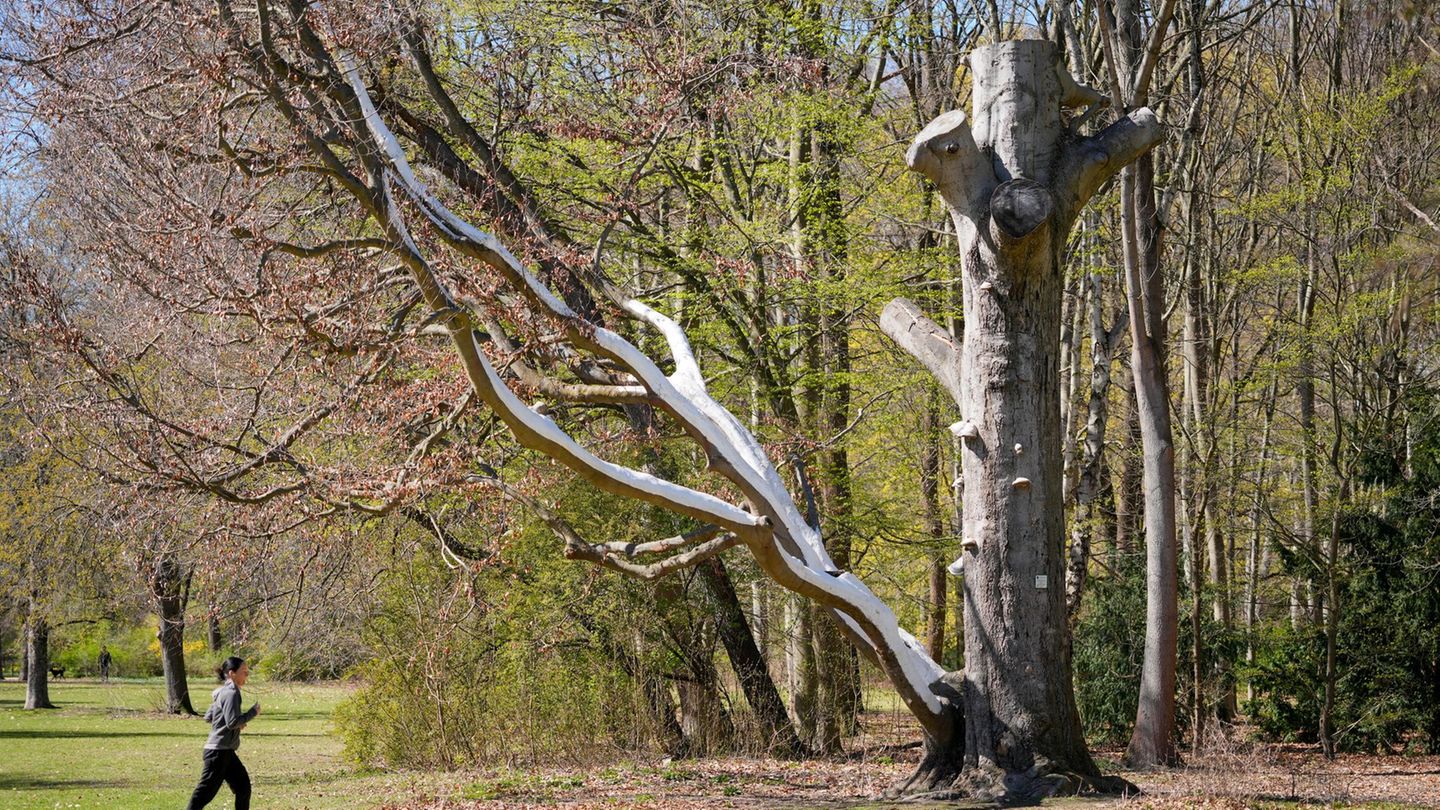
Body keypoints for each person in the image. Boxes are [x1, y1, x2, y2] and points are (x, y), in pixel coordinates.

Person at [187, 656, 260, 810]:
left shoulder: (223, 692)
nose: (247, 675)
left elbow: (209, 717)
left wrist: (233, 722)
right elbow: (232, 722)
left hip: (225, 751)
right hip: (218, 752)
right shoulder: (230, 693)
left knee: (243, 787)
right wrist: (253, 712)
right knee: (204, 794)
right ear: (232, 673)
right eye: (244, 672)